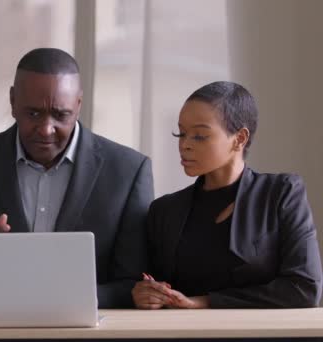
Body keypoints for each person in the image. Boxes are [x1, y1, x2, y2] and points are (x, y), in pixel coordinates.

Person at [0, 48, 154, 308]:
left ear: (78, 105)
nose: (45, 129)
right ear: (12, 101)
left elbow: (134, 284)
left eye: (60, 114)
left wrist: (65, 299)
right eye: (33, 113)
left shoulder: (128, 171)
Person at [132, 81, 323, 309]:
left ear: (240, 138)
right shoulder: (164, 210)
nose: (184, 145)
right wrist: (145, 294)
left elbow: (305, 288)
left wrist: (203, 302)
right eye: (180, 133)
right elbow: (152, 283)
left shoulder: (281, 193)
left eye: (199, 136)